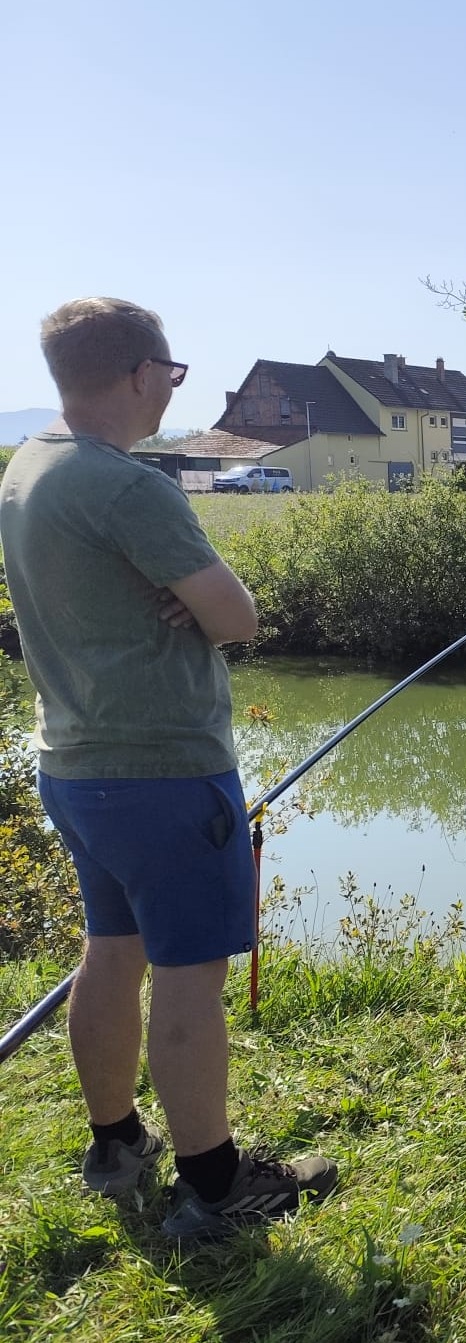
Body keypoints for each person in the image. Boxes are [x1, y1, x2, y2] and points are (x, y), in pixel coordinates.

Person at [0, 298, 336, 1237]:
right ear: (142, 373)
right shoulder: (126, 486)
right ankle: (217, 1186)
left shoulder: (28, 467)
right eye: (175, 373)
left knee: (110, 954)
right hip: (163, 771)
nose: (174, 390)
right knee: (190, 977)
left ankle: (115, 1145)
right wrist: (205, 604)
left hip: (73, 765)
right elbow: (237, 618)